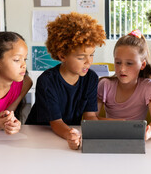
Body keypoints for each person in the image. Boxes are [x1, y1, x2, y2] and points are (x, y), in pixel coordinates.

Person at [25, 12, 106, 150]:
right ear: (62, 56)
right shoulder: (47, 81)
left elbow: (89, 116)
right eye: (81, 58)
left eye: (91, 55)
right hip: (40, 135)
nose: (89, 62)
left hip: (71, 133)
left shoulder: (91, 78)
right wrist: (70, 134)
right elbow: (56, 123)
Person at [97, 30, 151, 140]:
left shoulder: (147, 87)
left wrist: (147, 133)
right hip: (109, 138)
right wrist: (122, 124)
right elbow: (90, 118)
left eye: (129, 63)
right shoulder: (105, 85)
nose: (122, 69)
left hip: (135, 140)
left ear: (142, 64)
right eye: (118, 62)